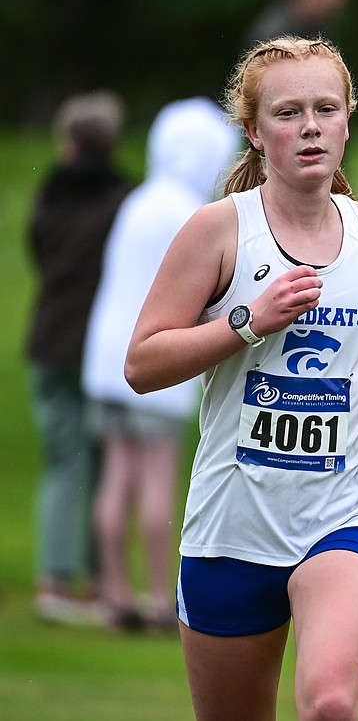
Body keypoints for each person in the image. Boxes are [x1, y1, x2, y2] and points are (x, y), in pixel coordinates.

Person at [123, 36, 358, 720]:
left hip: (343, 516)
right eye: (289, 113)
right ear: (255, 132)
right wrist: (247, 321)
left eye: (326, 108)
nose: (311, 127)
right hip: (229, 528)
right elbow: (143, 364)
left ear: (349, 118)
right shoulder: (217, 232)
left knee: (328, 705)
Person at [83, 96, 239, 632]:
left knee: (115, 477)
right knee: (154, 480)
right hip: (154, 360)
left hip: (106, 357)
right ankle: (156, 596)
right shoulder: (189, 215)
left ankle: (113, 592)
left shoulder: (138, 201)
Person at [25, 90, 133, 626]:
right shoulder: (123, 200)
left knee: (63, 460)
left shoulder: (48, 196)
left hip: (48, 342)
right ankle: (85, 580)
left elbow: (39, 253)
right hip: (96, 348)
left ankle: (61, 575)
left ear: (69, 142)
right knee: (98, 462)